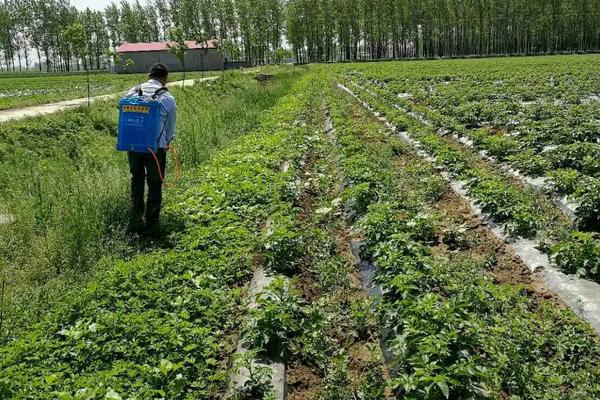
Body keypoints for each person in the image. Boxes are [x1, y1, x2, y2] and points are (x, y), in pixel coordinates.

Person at [125, 63, 177, 231]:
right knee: (155, 182)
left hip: (133, 144)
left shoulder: (134, 91)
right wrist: (168, 141)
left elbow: (123, 110)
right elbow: (170, 127)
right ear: (165, 78)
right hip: (155, 148)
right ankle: (152, 221)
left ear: (149, 75)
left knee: (136, 178)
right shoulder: (167, 98)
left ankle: (136, 215)